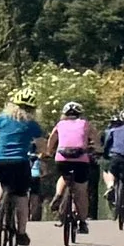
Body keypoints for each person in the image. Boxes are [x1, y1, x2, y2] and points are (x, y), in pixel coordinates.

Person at [0, 90, 46, 245]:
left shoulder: (1, 119)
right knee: (21, 197)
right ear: (33, 109)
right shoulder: (32, 125)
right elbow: (42, 146)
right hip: (20, 163)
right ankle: (21, 233)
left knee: (1, 181)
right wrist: (44, 155)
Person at [50, 100, 96, 237]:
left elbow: (52, 139)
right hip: (80, 159)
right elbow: (96, 139)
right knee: (81, 191)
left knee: (63, 176)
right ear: (80, 114)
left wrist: (48, 151)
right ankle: (82, 222)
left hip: (62, 157)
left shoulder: (60, 124)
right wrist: (98, 149)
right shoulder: (85, 124)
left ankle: (58, 194)